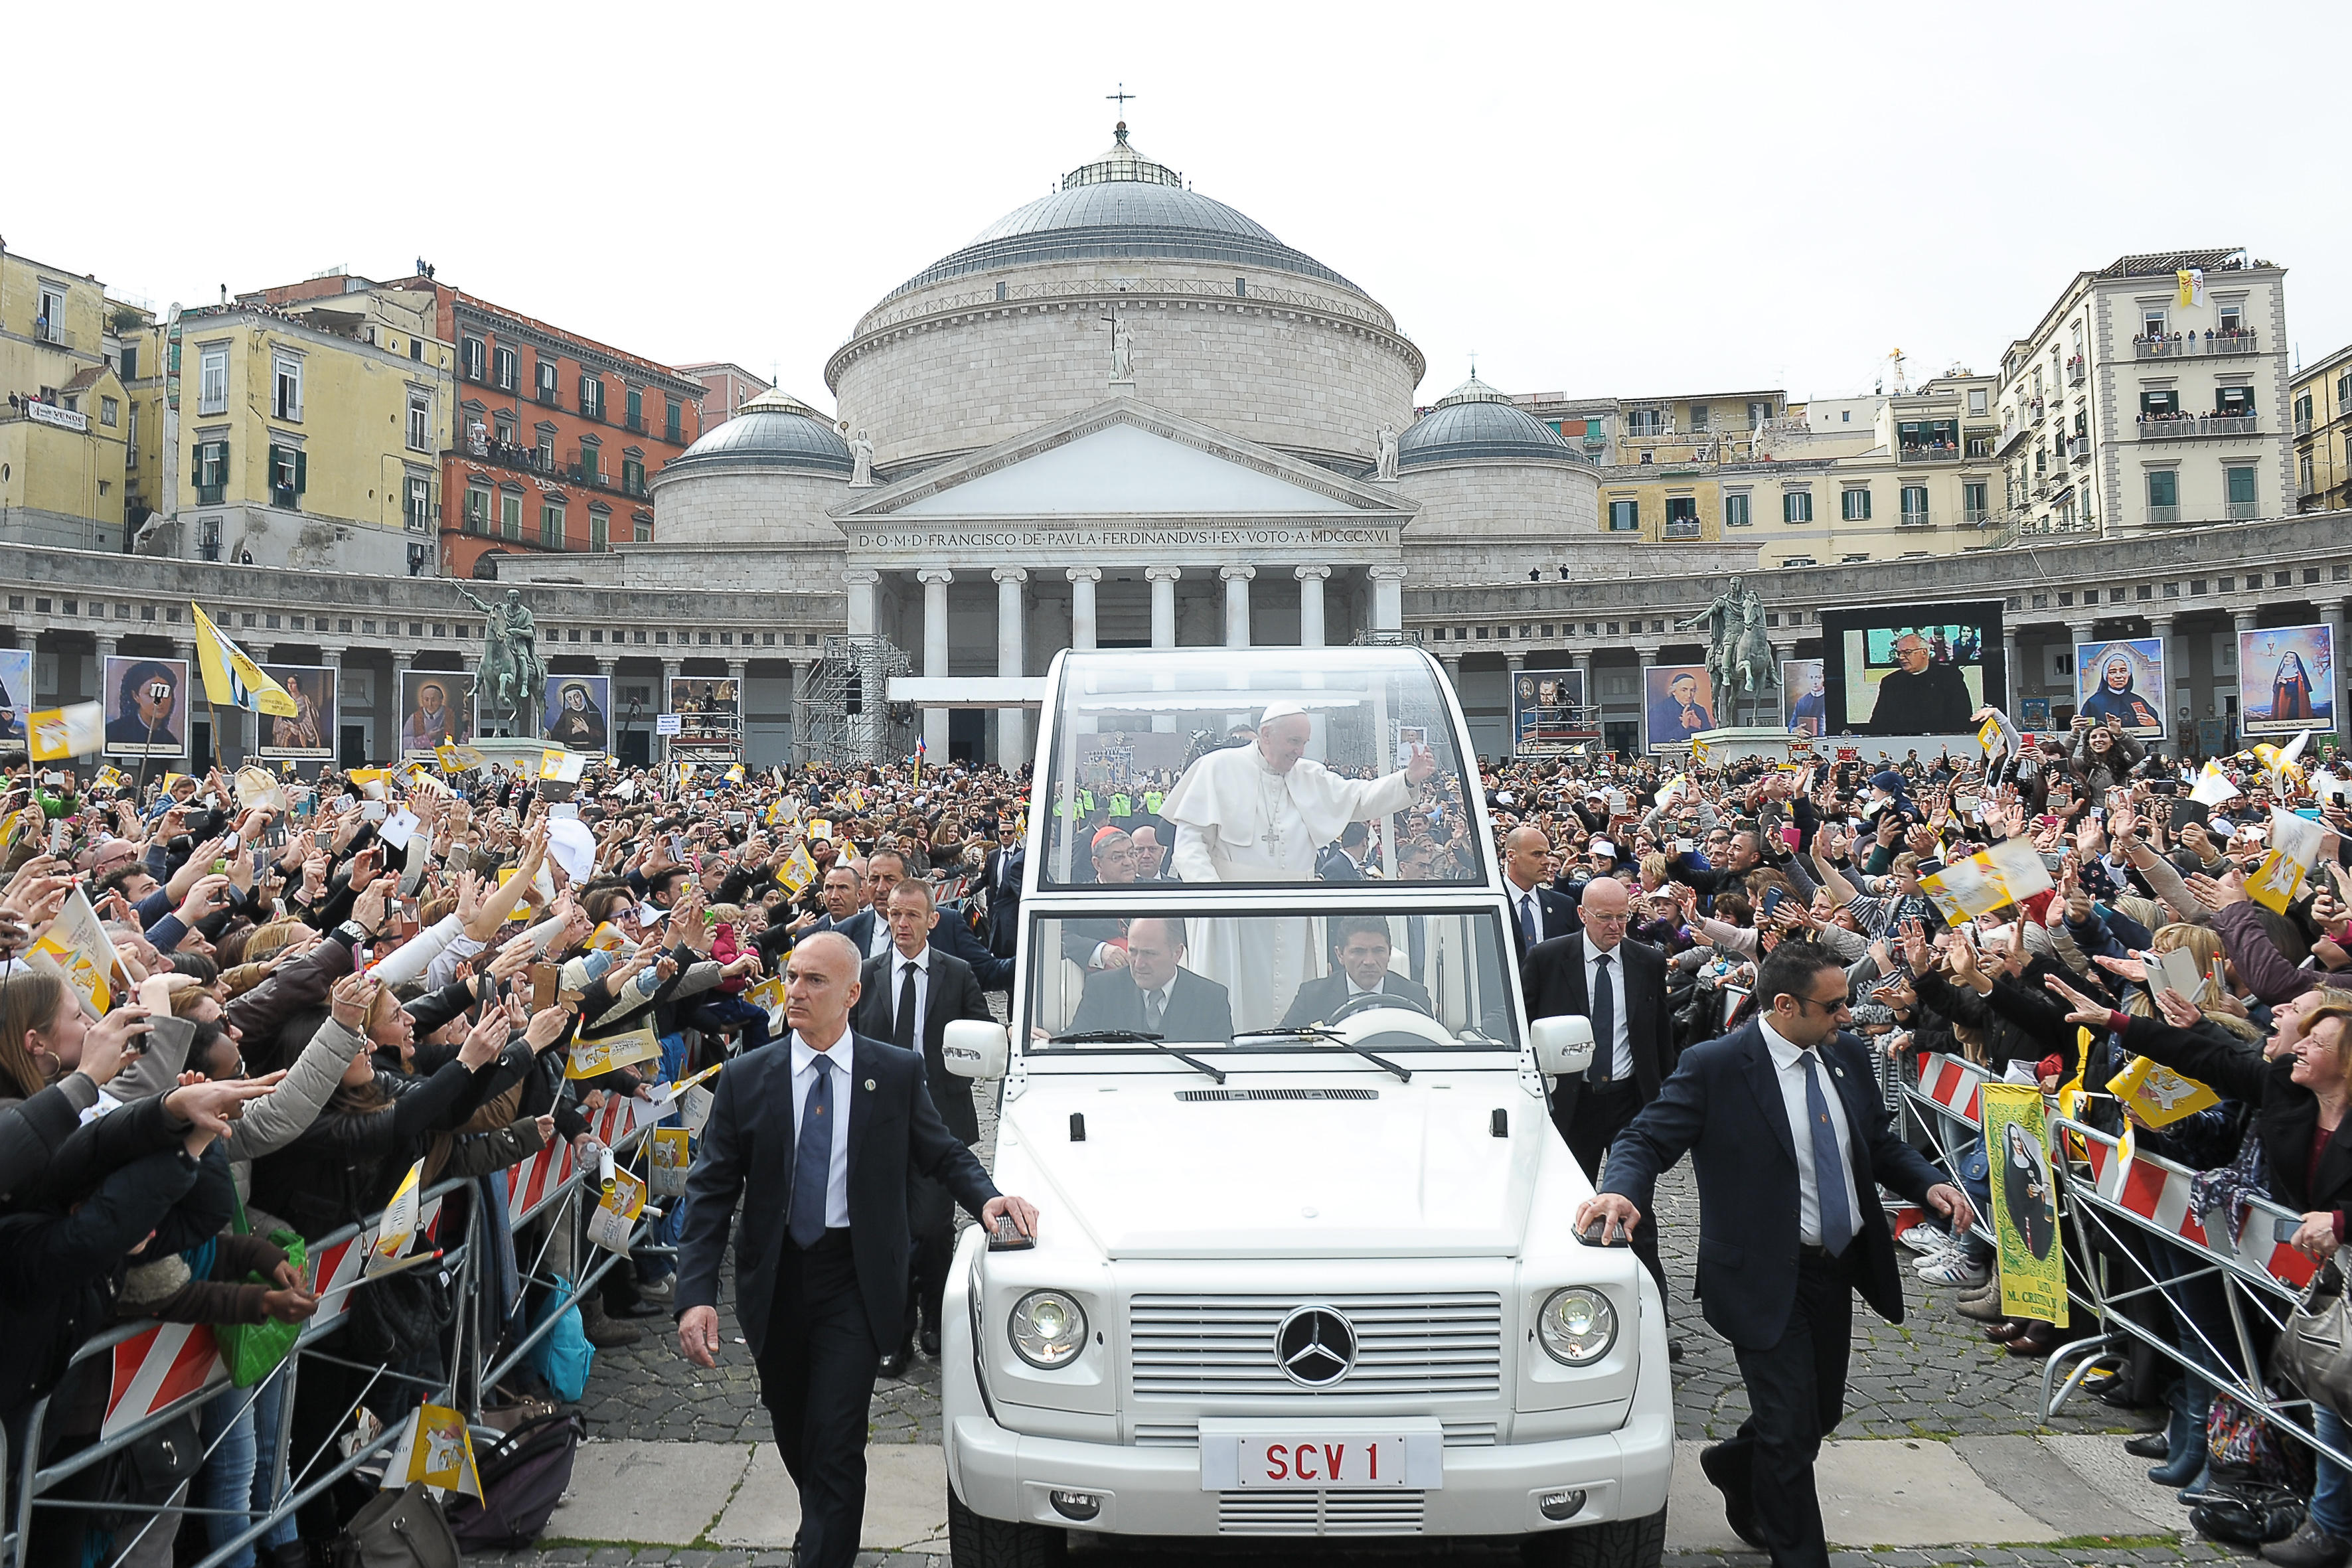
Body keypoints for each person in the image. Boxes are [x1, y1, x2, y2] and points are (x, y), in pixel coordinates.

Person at [1578, 942, 1974, 1568]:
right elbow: (1645, 1137)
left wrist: (1927, 1182)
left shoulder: (1844, 1054)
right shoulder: (1716, 1065)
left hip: (1834, 1267)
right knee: (1789, 1431)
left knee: (1816, 1414)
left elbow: (1873, 1142)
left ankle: (1734, 1465)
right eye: (1834, 1006)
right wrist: (1621, 1191)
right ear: (1785, 1005)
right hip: (1759, 1273)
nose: (1849, 1015)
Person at [675, 933, 1039, 1568]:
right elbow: (708, 1195)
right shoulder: (745, 1079)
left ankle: (820, 1552)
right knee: (796, 1433)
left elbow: (942, 1150)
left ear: (852, 993)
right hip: (776, 1282)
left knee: (839, 1441)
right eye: (792, 977)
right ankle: (819, 1526)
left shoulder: (891, 1071)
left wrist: (986, 1200)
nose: (795, 992)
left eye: (815, 981)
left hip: (855, 1279)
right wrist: (695, 1297)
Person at [1160, 703, 1433, 1026]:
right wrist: (1214, 895)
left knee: (1292, 1005)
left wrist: (1407, 778)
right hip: (1232, 915)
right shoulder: (1218, 768)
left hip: (1293, 912)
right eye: (1293, 741)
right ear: (1266, 735)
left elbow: (1360, 798)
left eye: (1304, 742)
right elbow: (1189, 845)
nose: (1300, 751)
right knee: (1232, 1002)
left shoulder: (1309, 775)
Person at [850, 880, 994, 1377]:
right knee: (887, 1230)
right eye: (894, 915)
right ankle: (894, 1332)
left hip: (939, 1120)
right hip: (877, 1122)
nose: (902, 925)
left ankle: (934, 1317)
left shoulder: (956, 973)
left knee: (932, 1229)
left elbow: (979, 1032)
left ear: (933, 919)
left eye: (912, 915)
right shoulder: (866, 976)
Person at [1522, 877, 1676, 1307]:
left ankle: (1651, 1315)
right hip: (1573, 1102)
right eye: (1605, 917)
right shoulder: (1548, 959)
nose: (1615, 926)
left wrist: (1662, 1099)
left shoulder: (1646, 961)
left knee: (1637, 1210)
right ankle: (1564, 1300)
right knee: (1568, 1204)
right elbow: (1525, 1025)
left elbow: (1659, 1035)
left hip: (1630, 1101)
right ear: (1582, 915)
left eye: (1623, 917)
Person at [1065, 917, 1234, 1041]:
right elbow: (1071, 1046)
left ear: (1177, 953)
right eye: (1133, 951)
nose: (1138, 964)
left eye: (1149, 953)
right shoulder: (1101, 989)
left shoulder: (1210, 999)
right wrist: (1047, 1043)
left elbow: (1224, 1063)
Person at [1279, 915, 1433, 1028]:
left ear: (1390, 952)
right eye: (1358, 951)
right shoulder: (1312, 997)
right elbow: (1280, 1046)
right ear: (1340, 955)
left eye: (1378, 951)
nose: (1369, 961)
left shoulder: (1414, 997)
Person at [1867, 631, 1973, 734]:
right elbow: (1878, 722)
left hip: (1941, 741)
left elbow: (1962, 716)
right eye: (1899, 653)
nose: (1901, 657)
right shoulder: (1890, 682)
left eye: (1907, 652)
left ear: (1924, 652)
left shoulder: (1949, 677)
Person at [1502, 824, 1579, 963]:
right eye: (1537, 854)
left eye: (1547, 854)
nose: (1546, 861)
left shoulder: (1564, 906)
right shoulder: (1488, 903)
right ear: (1512, 856)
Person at [104, 659, 183, 748]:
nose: (160, 701)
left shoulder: (170, 741)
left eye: (165, 693)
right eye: (151, 693)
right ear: (136, 696)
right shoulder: (114, 732)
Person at [2080, 651, 2163, 732]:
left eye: (2123, 671)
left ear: (2128, 675)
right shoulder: (2093, 703)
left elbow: (2158, 727)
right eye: (2113, 672)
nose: (2119, 676)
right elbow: (2085, 731)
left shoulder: (2137, 700)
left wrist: (2154, 723)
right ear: (2106, 676)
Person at [400, 678, 464, 753]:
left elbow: (462, 742)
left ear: (441, 700)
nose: (430, 704)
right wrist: (427, 737)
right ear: (422, 700)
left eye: (434, 700)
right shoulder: (414, 718)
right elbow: (403, 744)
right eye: (426, 700)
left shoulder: (452, 717)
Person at [1648, 671, 1713, 742]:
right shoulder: (1659, 711)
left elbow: (1711, 741)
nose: (1689, 695)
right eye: (1684, 690)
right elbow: (1657, 742)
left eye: (1692, 690)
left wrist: (1699, 726)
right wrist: (1683, 726)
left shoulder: (1700, 710)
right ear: (1674, 692)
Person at [546, 679, 607, 749]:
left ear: (582, 697)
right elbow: (555, 735)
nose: (574, 701)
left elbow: (604, 739)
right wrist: (573, 731)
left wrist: (586, 728)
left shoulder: (594, 713)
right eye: (570, 699)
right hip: (570, 750)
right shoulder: (566, 714)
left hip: (590, 750)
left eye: (576, 697)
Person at [2272, 650, 2322, 724]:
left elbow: (2300, 691)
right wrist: (2277, 683)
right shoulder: (2281, 672)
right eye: (2286, 657)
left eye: (2291, 657)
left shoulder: (2298, 674)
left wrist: (2286, 683)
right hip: (2282, 701)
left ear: (2295, 661)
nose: (2287, 659)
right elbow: (2275, 690)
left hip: (2294, 702)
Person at [1788, 665, 1827, 736]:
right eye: (1811, 677)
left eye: (1818, 677)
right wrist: (1795, 730)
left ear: (1824, 678)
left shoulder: (1832, 698)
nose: (1814, 682)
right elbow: (1792, 726)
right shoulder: (1802, 702)